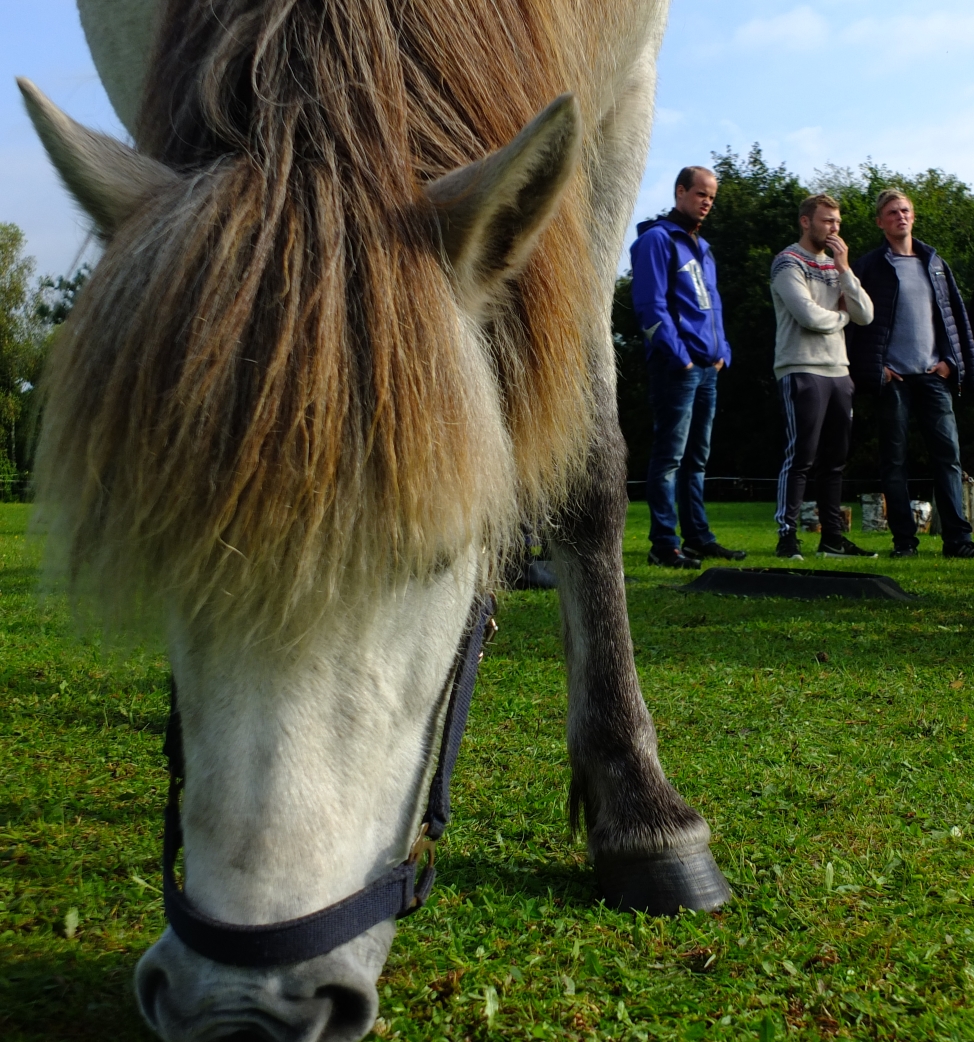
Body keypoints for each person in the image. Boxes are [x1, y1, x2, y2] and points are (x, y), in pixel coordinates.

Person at [630, 166, 745, 569]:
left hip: (708, 369)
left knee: (697, 459)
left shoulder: (704, 247)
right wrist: (680, 356)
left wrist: (722, 351)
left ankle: (698, 538)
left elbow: (713, 305)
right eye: (701, 193)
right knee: (670, 459)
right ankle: (664, 543)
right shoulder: (657, 240)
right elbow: (649, 305)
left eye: (712, 196)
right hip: (676, 369)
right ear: (680, 192)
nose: (707, 201)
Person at [848, 189, 974, 558]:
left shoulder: (933, 262)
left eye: (905, 210)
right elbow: (855, 324)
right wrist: (875, 370)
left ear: (913, 216)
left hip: (934, 375)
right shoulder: (871, 265)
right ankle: (904, 542)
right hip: (895, 380)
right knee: (894, 461)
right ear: (880, 222)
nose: (900, 216)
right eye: (891, 212)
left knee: (948, 458)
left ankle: (959, 541)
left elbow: (955, 318)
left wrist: (952, 362)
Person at [771, 193, 876, 560]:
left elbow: (867, 313)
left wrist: (845, 268)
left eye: (838, 223)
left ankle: (832, 538)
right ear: (806, 221)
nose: (834, 229)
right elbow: (809, 317)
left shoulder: (835, 266)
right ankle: (787, 539)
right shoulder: (787, 263)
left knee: (835, 460)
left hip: (839, 372)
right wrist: (842, 317)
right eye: (827, 221)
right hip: (801, 368)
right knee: (801, 456)